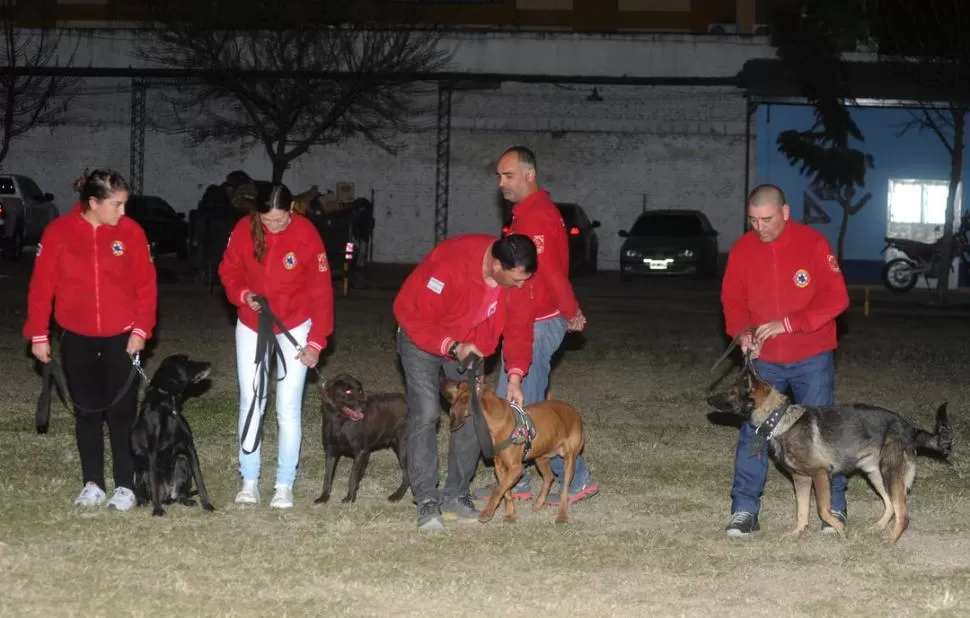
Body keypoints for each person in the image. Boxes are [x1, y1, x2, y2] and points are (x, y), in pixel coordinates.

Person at [24, 168, 157, 511]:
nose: (123, 212)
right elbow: (41, 287)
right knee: (87, 412)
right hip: (76, 336)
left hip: (121, 337)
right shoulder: (59, 233)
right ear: (93, 203)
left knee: (121, 412)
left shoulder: (131, 232)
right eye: (117, 205)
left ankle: (126, 486)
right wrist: (39, 333)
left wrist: (141, 330)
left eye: (124, 205)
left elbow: (146, 286)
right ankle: (93, 483)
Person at [720, 184, 850, 537]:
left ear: (785, 212)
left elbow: (837, 298)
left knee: (825, 435)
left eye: (766, 219)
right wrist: (743, 333)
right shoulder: (743, 250)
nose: (759, 227)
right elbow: (732, 300)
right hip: (767, 364)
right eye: (752, 220)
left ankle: (834, 505)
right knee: (754, 434)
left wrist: (791, 323)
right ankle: (744, 510)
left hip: (811, 356)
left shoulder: (812, 244)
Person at [472, 146, 599, 506]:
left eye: (508, 175)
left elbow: (553, 271)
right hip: (532, 319)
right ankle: (523, 479)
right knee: (522, 404)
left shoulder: (538, 216)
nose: (501, 183)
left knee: (518, 405)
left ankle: (575, 481)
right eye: (499, 176)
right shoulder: (526, 213)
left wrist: (570, 310)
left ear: (530, 174)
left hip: (539, 322)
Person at [393, 233, 537, 531]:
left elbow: (519, 328)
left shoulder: (515, 280)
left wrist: (515, 376)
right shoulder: (452, 263)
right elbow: (411, 313)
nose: (521, 285)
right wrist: (450, 345)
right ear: (496, 265)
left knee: (475, 412)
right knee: (426, 413)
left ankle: (456, 494)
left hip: (469, 346)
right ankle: (427, 500)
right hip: (421, 338)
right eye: (516, 279)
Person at [218, 183, 334, 509]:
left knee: (287, 407)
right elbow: (228, 270)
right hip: (253, 324)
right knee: (251, 400)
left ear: (292, 210)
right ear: (257, 214)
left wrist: (316, 342)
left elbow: (322, 292)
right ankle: (249, 479)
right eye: (268, 221)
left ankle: (284, 483)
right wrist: (243, 294)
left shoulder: (308, 235)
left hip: (294, 326)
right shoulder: (243, 230)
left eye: (281, 220)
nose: (274, 227)